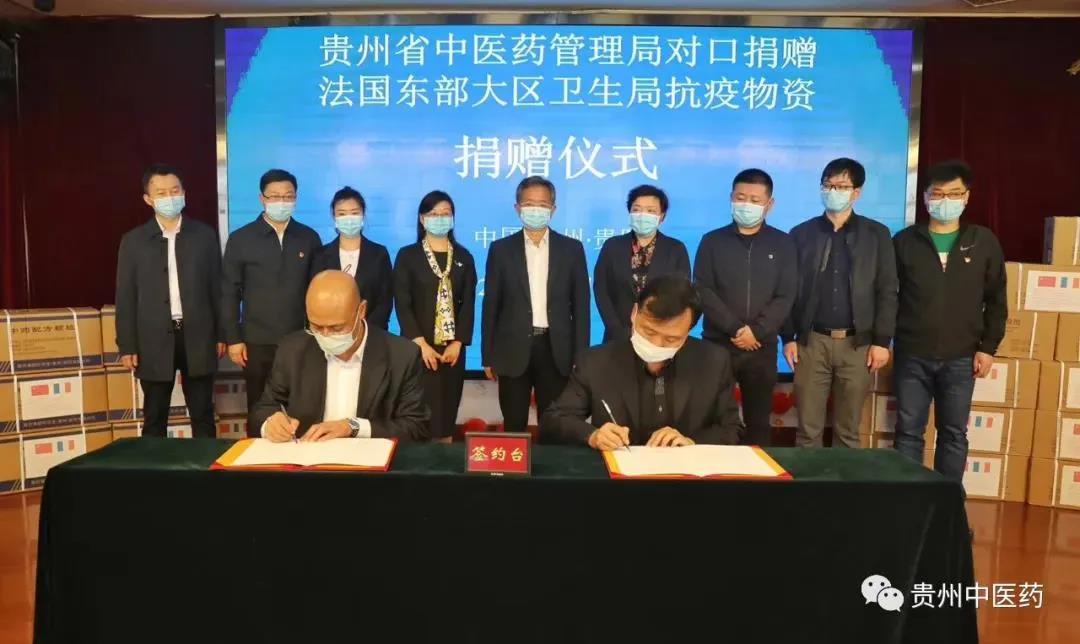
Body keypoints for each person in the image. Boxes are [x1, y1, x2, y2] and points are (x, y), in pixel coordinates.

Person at [892, 160, 1007, 482]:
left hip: (961, 357)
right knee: (908, 432)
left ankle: (948, 499)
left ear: (967, 197)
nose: (945, 201)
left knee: (954, 433)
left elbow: (997, 299)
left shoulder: (983, 241)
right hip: (912, 354)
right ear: (925, 197)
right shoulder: (904, 241)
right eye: (938, 194)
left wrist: (988, 348)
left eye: (954, 194)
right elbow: (889, 297)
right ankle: (908, 498)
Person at [543, 274, 741, 449]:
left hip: (685, 474)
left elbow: (732, 429)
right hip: (619, 473)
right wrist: (593, 435)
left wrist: (692, 442)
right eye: (649, 332)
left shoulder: (713, 361)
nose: (656, 344)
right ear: (634, 313)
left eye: (671, 339)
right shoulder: (596, 362)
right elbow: (555, 419)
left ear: (688, 330)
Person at [782, 158, 898, 448]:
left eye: (841, 186)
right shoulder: (801, 234)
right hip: (812, 342)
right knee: (807, 431)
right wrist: (788, 337)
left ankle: (845, 480)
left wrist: (882, 341)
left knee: (848, 432)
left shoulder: (876, 234)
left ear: (856, 192)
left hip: (857, 345)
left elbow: (887, 289)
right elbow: (788, 290)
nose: (833, 191)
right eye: (828, 185)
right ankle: (807, 480)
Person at [252, 270, 430, 442]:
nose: (326, 335)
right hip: (308, 457)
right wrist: (270, 424)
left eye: (336, 328)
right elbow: (264, 408)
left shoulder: (401, 355)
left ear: (361, 311)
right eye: (316, 326)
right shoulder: (292, 350)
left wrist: (354, 427)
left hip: (368, 459)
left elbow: (416, 427)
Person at [115, 163, 223, 438]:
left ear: (184, 193)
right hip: (152, 338)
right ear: (148, 199)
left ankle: (206, 464)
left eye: (175, 191)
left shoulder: (204, 236)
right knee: (154, 416)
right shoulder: (133, 241)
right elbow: (126, 296)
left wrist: (222, 334)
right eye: (161, 193)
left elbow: (217, 288)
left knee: (203, 413)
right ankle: (154, 465)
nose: (170, 197)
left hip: (198, 335)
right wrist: (127, 345)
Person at [694, 169, 797, 446]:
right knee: (714, 420)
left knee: (758, 423)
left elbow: (785, 295)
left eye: (755, 200)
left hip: (761, 348)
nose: (746, 205)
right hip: (718, 344)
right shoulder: (712, 241)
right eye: (740, 198)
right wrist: (736, 329)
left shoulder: (783, 243)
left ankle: (758, 473)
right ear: (731, 197)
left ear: (769, 204)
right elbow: (703, 290)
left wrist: (757, 331)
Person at [481, 176, 590, 434]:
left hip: (556, 348)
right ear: (517, 208)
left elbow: (581, 307)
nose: (536, 210)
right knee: (514, 421)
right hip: (512, 348)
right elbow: (491, 306)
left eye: (542, 205)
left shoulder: (572, 249)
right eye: (529, 204)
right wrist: (487, 355)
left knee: (554, 423)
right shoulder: (501, 249)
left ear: (553, 209)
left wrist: (581, 356)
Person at [221, 168, 322, 436]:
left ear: (296, 198)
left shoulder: (309, 238)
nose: (282, 202)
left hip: (301, 340)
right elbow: (229, 292)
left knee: (303, 405)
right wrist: (233, 339)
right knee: (259, 407)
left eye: (288, 196)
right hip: (256, 342)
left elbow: (317, 291)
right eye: (274, 196)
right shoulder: (241, 239)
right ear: (262, 199)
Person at [393, 191, 477, 443]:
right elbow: (403, 303)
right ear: (422, 219)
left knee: (446, 416)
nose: (440, 218)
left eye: (445, 213)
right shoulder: (408, 256)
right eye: (433, 214)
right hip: (417, 349)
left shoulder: (464, 257)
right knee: (417, 415)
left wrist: (458, 343)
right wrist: (420, 344)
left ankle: (444, 459)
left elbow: (469, 304)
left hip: (452, 352)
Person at [594, 184, 690, 342]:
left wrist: (662, 328)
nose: (642, 215)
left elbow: (682, 294)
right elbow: (601, 290)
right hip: (618, 336)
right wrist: (616, 328)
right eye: (637, 209)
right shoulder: (612, 246)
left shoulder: (675, 249)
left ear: (662, 216)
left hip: (660, 336)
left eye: (651, 211)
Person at [309, 186, 393, 330]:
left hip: (371, 333)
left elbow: (385, 300)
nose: (348, 219)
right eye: (342, 214)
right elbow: (314, 297)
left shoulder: (379, 254)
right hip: (330, 333)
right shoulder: (320, 255)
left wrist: (363, 330)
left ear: (363, 215)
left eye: (354, 213)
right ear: (334, 217)